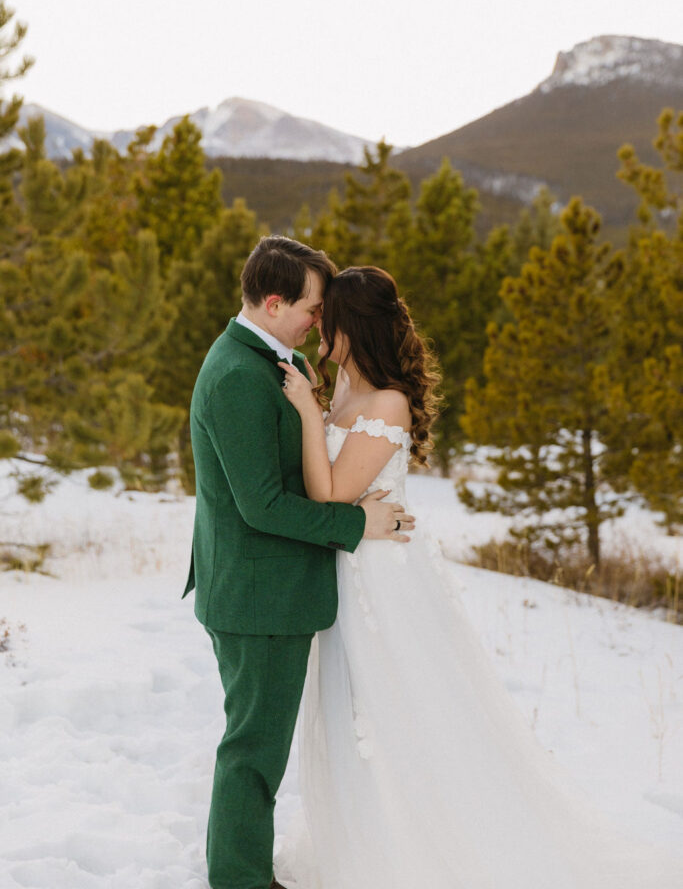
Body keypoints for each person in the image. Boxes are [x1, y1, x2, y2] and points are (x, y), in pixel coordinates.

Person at [275, 265, 683, 889]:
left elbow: (330, 492)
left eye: (325, 315)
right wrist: (317, 405)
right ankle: (364, 843)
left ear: (349, 326)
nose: (316, 324)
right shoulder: (344, 394)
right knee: (350, 713)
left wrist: (307, 411)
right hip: (347, 571)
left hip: (383, 583)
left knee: (401, 713)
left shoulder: (385, 402)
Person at [182, 238, 415, 889]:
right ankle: (238, 880)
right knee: (253, 752)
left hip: (267, 588)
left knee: (256, 746)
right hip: (258, 595)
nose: (320, 320)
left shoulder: (267, 363)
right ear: (275, 301)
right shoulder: (236, 375)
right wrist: (355, 522)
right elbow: (260, 507)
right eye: (313, 308)